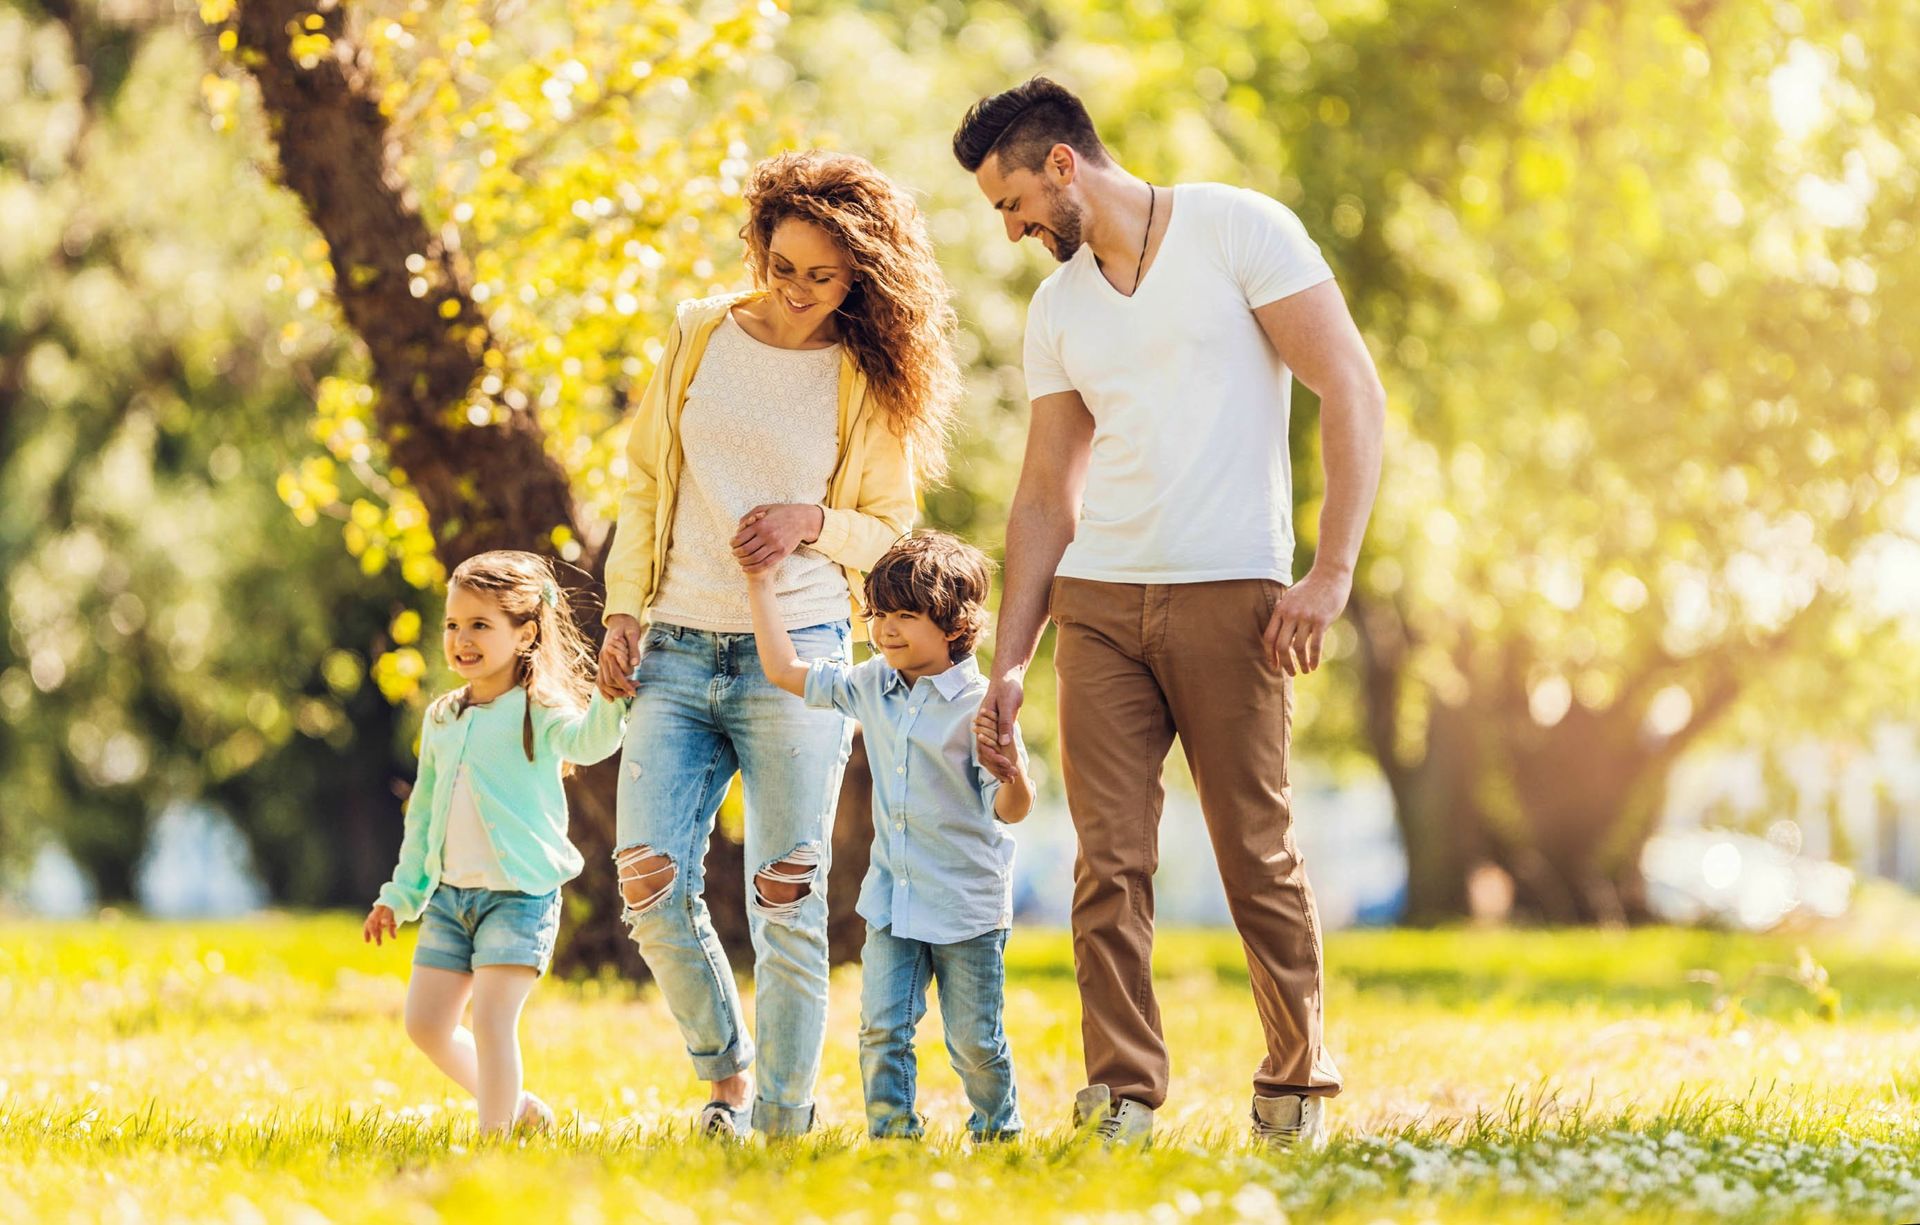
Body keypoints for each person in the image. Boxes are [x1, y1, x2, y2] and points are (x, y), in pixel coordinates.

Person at [953, 77, 1387, 1148]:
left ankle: (1294, 1081)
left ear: (1063, 164)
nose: (1009, 232)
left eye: (1011, 203)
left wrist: (1328, 573)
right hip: (1099, 604)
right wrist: (1010, 660)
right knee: (1108, 859)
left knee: (1255, 847)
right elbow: (1048, 493)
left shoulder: (1241, 231)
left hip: (1231, 592)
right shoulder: (1058, 309)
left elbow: (1350, 388)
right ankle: (1125, 1092)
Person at [594, 150, 961, 1139]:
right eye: (783, 265)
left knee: (787, 899)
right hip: (674, 643)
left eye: (823, 278)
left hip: (795, 652)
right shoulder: (699, 332)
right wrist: (622, 610)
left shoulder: (863, 373)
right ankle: (727, 1073)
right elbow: (641, 484)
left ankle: (785, 1126)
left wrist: (811, 519)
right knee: (647, 879)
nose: (797, 293)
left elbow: (890, 528)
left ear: (861, 281)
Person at [742, 531, 1031, 1141]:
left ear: (954, 624)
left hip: (966, 908)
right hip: (893, 903)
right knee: (881, 1032)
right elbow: (783, 669)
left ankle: (999, 1135)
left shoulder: (981, 705)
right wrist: (759, 584)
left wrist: (1013, 772)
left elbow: (1011, 809)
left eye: (906, 615)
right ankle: (893, 1141)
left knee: (975, 1042)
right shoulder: (873, 682)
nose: (886, 629)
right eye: (878, 614)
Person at [364, 550, 629, 1135]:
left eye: (481, 625)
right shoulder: (441, 718)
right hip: (450, 899)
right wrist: (400, 895)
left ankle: (495, 1143)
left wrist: (613, 699)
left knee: (490, 1022)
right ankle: (518, 1110)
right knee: (426, 1024)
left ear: (525, 633)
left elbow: (589, 744)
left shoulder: (540, 710)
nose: (462, 638)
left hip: (520, 896)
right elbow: (425, 817)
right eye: (453, 624)